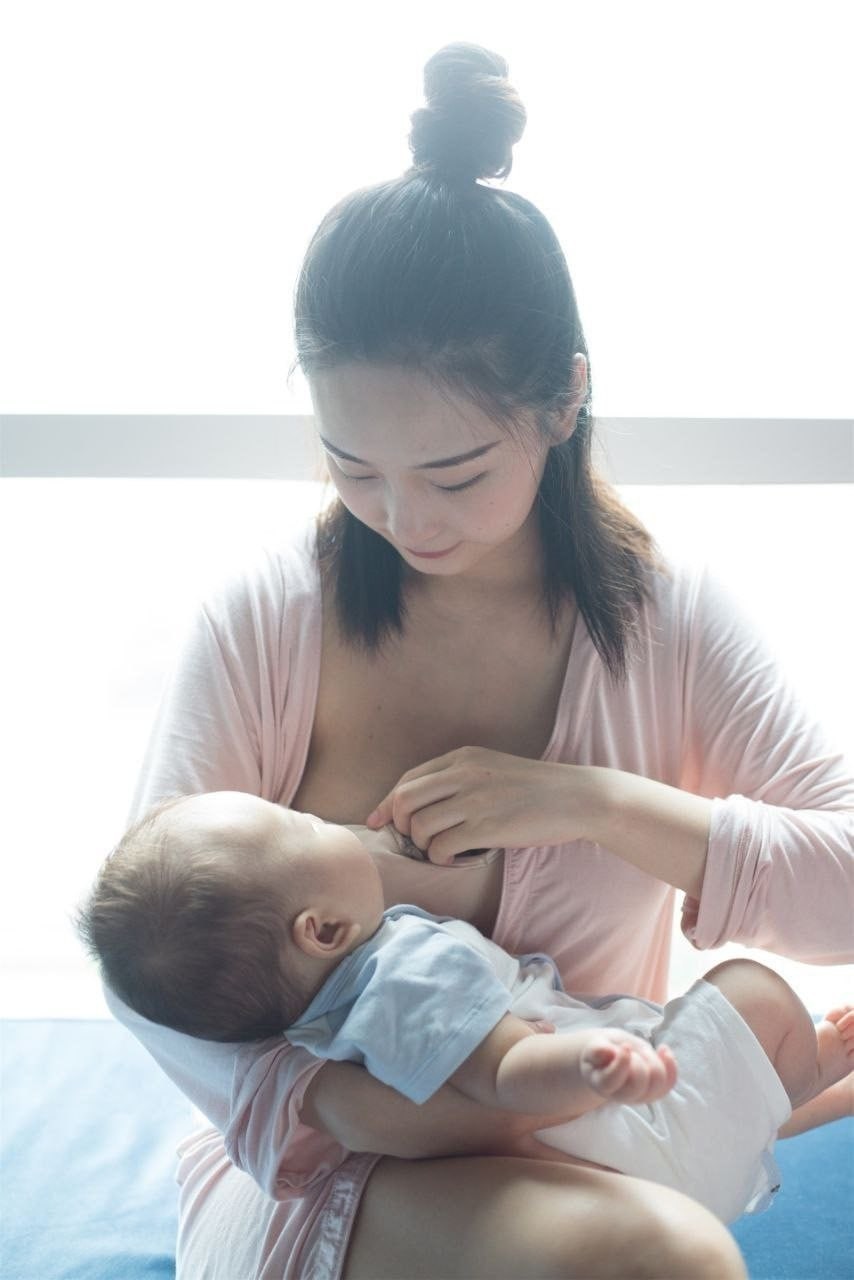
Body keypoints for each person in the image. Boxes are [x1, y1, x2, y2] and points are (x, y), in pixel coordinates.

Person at [101, 40, 854, 1280]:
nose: (404, 518)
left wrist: (591, 802)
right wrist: (348, 1107)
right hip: (332, 1171)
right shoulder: (268, 617)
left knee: (726, 1061)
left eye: (452, 472)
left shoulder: (661, 620)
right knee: (660, 1256)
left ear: (562, 402)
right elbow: (142, 956)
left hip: (591, 1133)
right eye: (352, 468)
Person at [77, 789, 854, 1227]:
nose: (324, 817)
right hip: (632, 1145)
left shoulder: (325, 1025)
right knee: (750, 987)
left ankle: (786, 1091)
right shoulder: (400, 973)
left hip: (629, 1181)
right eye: (303, 824)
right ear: (322, 929)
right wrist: (592, 1069)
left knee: (689, 1038)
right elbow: (510, 1072)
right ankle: (798, 1071)